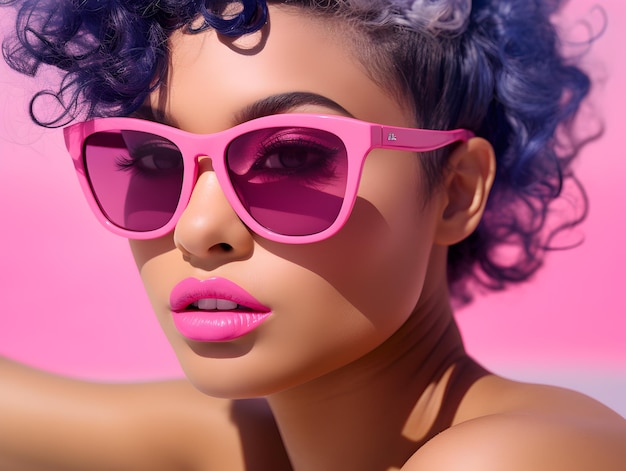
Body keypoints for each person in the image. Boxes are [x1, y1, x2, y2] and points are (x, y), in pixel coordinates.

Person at [0, 0, 624, 470]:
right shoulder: (246, 444)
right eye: (153, 159)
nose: (198, 228)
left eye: (291, 157)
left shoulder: (523, 455)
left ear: (456, 191)